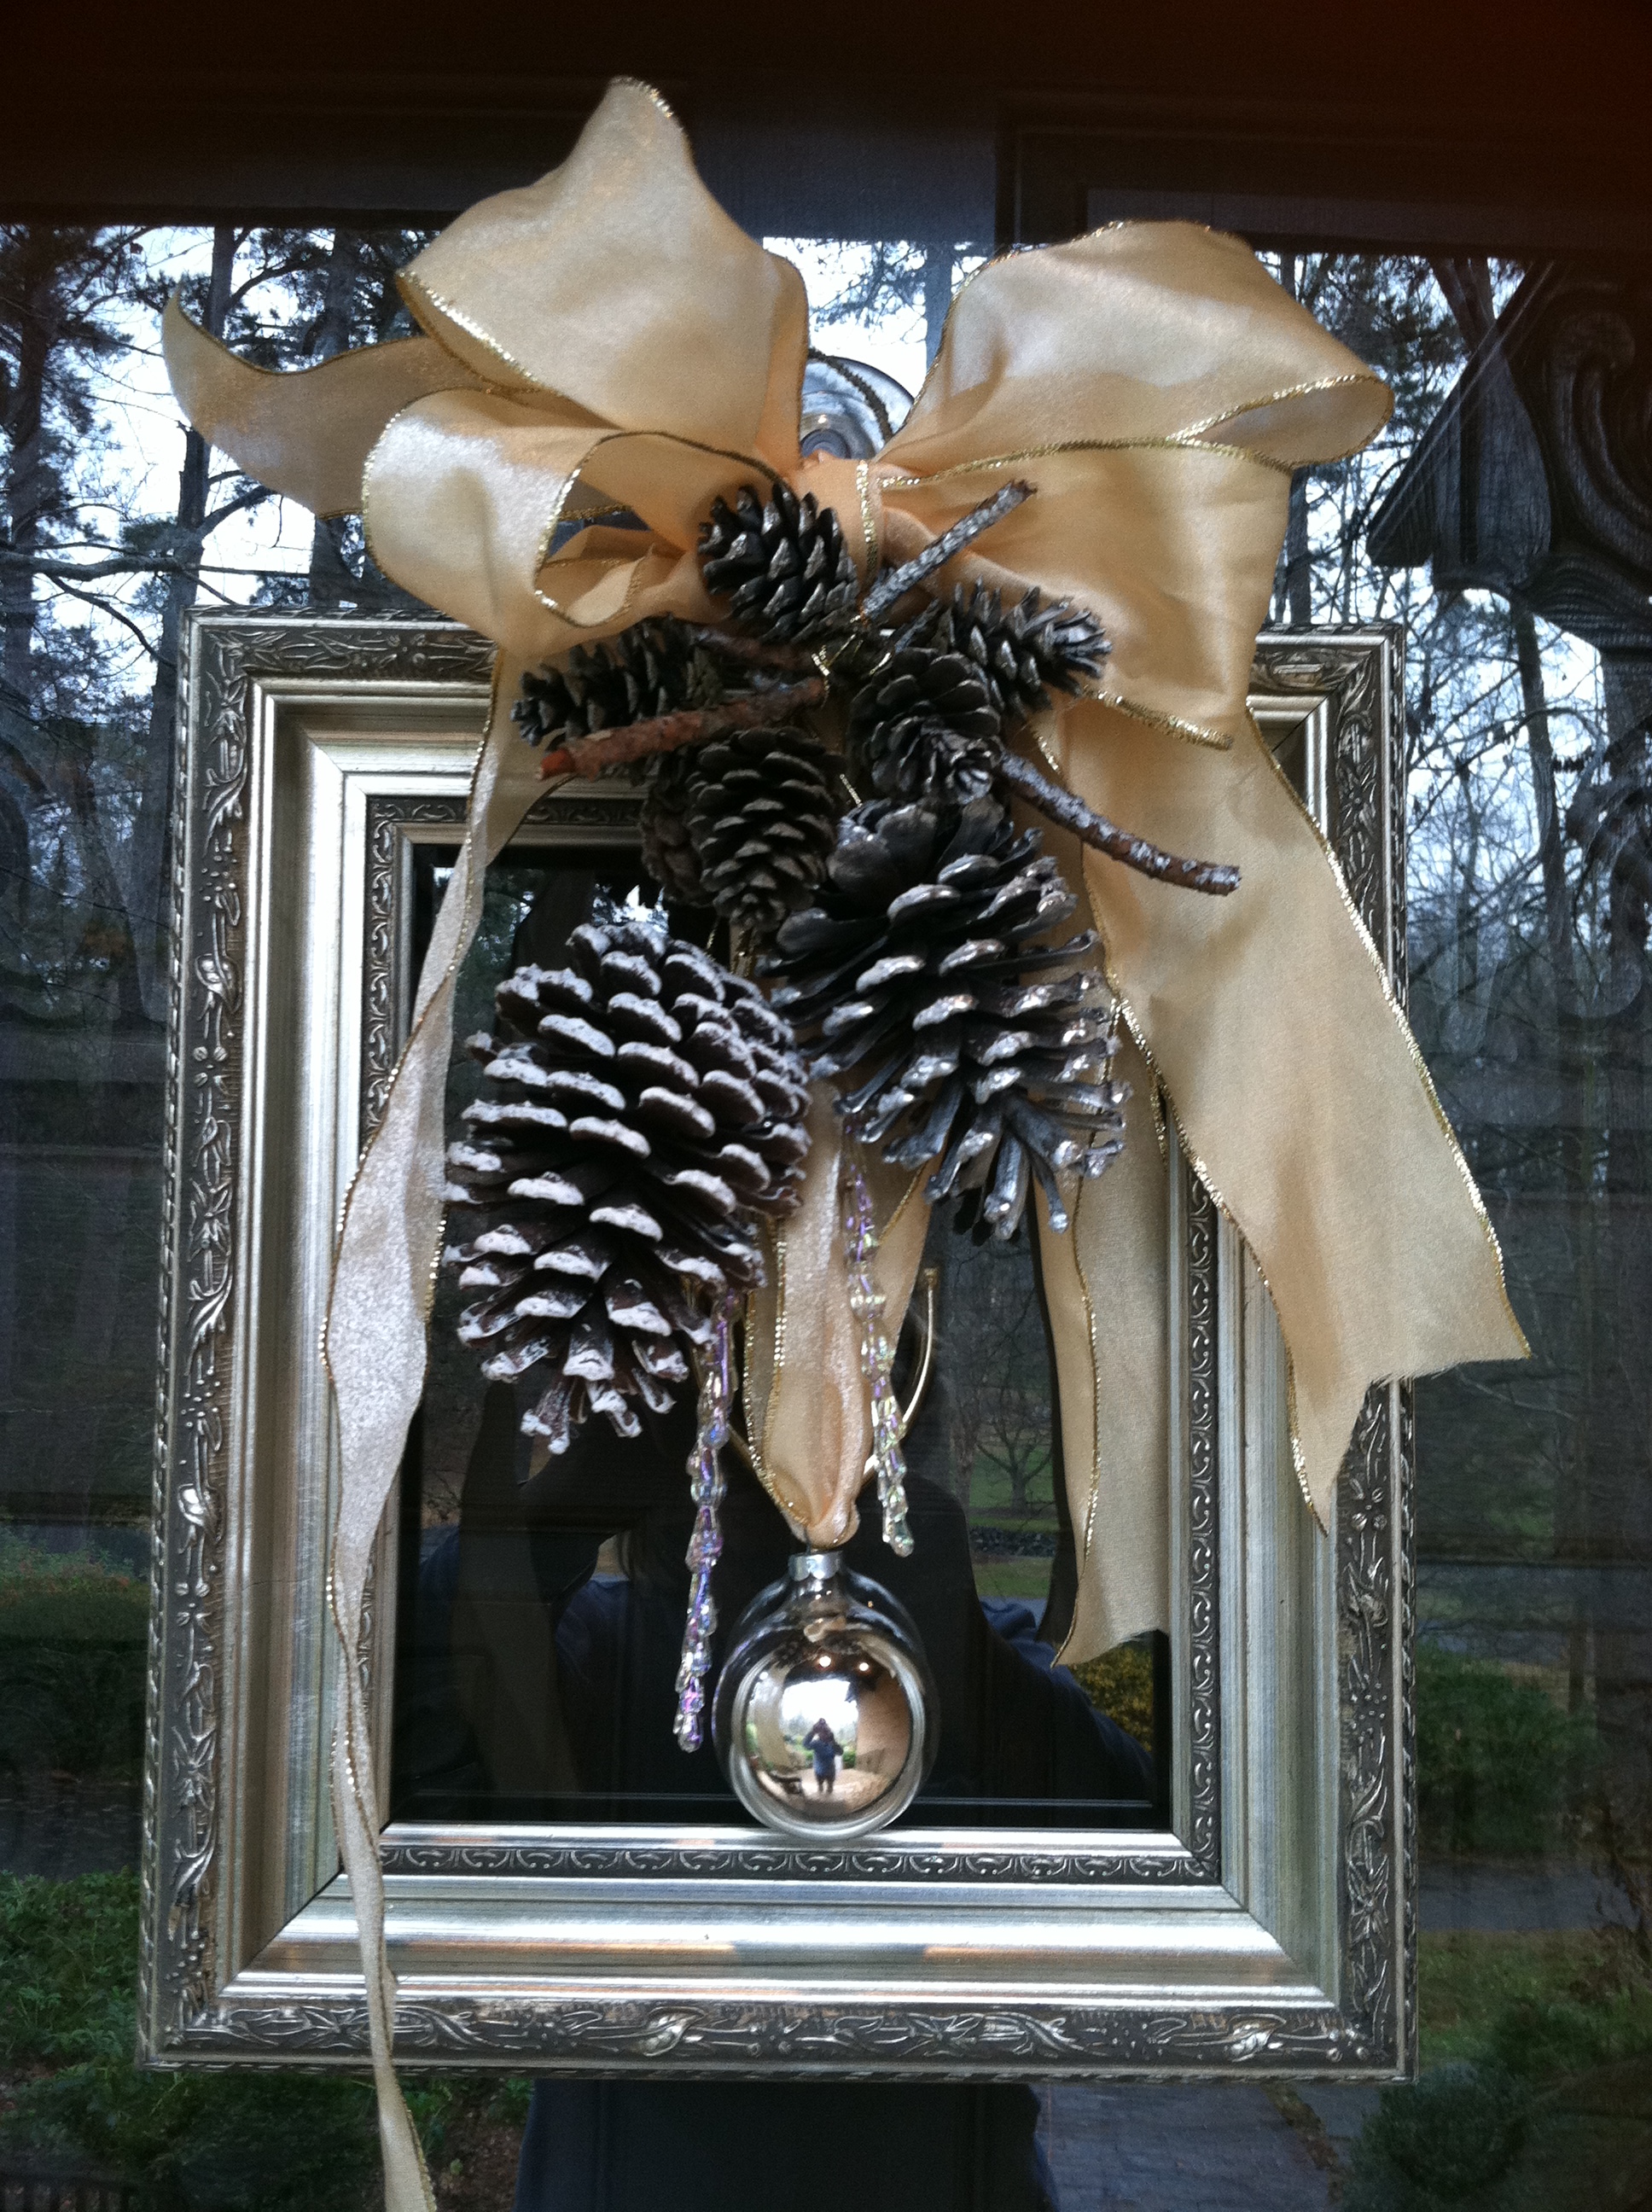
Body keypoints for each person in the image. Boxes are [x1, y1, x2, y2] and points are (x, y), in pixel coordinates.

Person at [801, 1714, 841, 1793]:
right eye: (822, 1732)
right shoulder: (816, 1743)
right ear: (819, 1734)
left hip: (830, 1771)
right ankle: (821, 1789)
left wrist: (833, 1741)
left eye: (826, 1732)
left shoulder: (832, 1744)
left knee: (830, 1788)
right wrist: (813, 1732)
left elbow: (840, 1752)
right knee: (820, 1788)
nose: (825, 1734)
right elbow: (805, 1745)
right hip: (819, 1771)